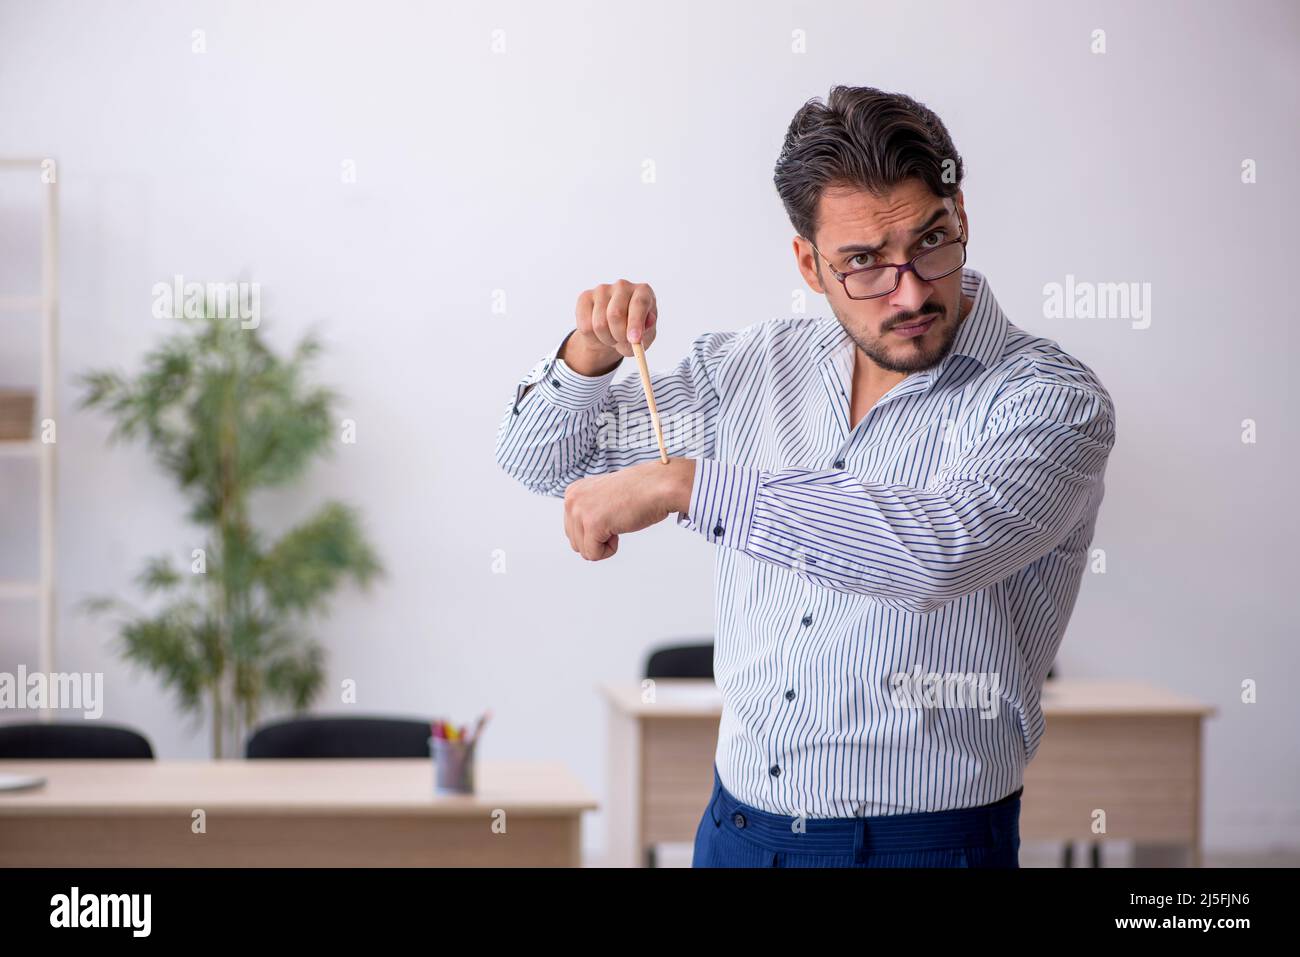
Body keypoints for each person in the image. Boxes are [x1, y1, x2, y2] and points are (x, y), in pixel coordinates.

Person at [494, 85, 1116, 867]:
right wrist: (590, 352)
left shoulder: (1051, 400)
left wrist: (691, 486)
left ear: (963, 220)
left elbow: (938, 549)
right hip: (737, 828)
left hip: (923, 844)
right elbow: (539, 459)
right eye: (864, 263)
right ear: (809, 264)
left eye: (931, 242)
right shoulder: (752, 367)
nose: (912, 289)